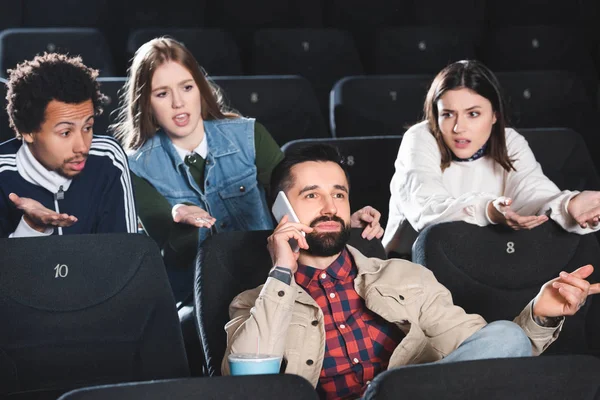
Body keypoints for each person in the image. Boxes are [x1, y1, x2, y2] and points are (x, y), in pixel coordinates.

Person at [221, 143, 600, 399]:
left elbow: (490, 356)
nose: (329, 205)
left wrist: (538, 315)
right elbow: (251, 386)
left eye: (338, 194)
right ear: (281, 210)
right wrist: (282, 274)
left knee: (506, 335)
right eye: (311, 195)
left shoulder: (405, 277)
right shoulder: (255, 303)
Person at [112, 37, 383, 300]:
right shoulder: (134, 166)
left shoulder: (249, 135)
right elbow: (174, 256)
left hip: (270, 275)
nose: (178, 103)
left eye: (186, 87)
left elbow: (294, 204)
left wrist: (339, 224)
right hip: (196, 296)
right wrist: (182, 221)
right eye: (162, 93)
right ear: (146, 102)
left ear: (200, 88)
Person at [382, 60, 600, 256]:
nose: (459, 128)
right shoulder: (420, 137)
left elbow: (532, 191)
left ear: (495, 115)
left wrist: (568, 205)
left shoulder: (509, 139)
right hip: (414, 261)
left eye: (473, 114)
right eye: (447, 114)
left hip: (486, 256)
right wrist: (489, 210)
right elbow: (427, 211)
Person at [0, 53, 137, 238]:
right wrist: (32, 228)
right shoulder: (3, 173)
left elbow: (126, 257)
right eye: (65, 133)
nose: (82, 147)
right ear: (28, 131)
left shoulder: (108, 159)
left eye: (87, 127)